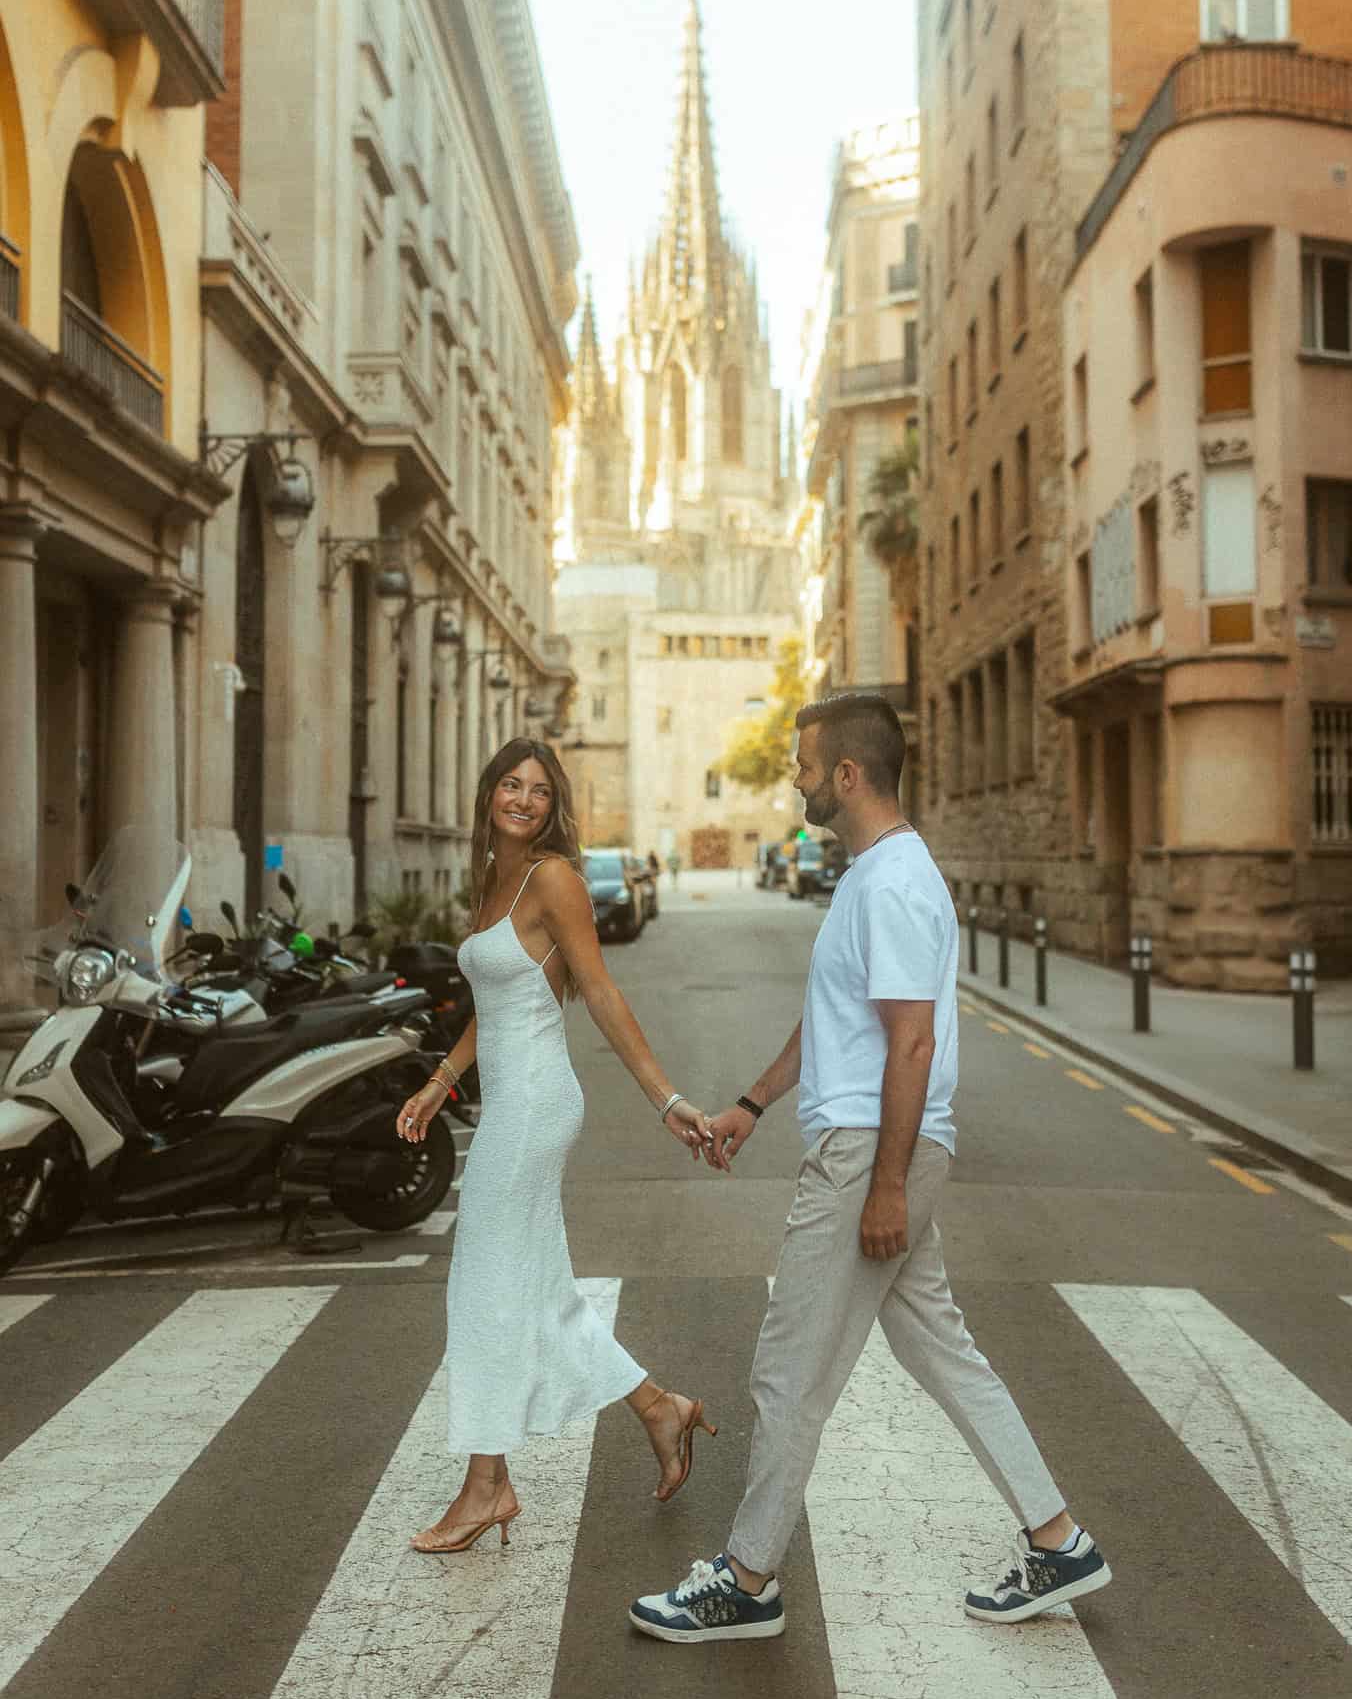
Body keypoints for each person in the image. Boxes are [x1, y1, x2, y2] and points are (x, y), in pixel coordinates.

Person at [630, 693, 1110, 1642]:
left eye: (804, 764)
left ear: (846, 775)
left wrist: (886, 1183)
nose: (795, 778)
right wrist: (752, 1106)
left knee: (788, 1368)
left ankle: (747, 1577)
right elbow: (836, 1024)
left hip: (868, 1152)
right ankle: (1058, 1540)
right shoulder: (869, 878)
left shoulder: (891, 884)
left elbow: (911, 1045)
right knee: (943, 1351)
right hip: (870, 1143)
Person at [396, 738, 717, 1554]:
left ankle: (484, 1486)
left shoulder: (553, 879)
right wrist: (439, 1082)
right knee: (529, 1289)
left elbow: (597, 990)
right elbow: (495, 1001)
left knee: (484, 1287)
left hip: (536, 1103)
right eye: (511, 783)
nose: (524, 799)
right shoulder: (494, 880)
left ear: (554, 806)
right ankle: (657, 1407)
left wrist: (665, 1098)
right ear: (488, 793)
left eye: (540, 791)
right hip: (508, 1098)